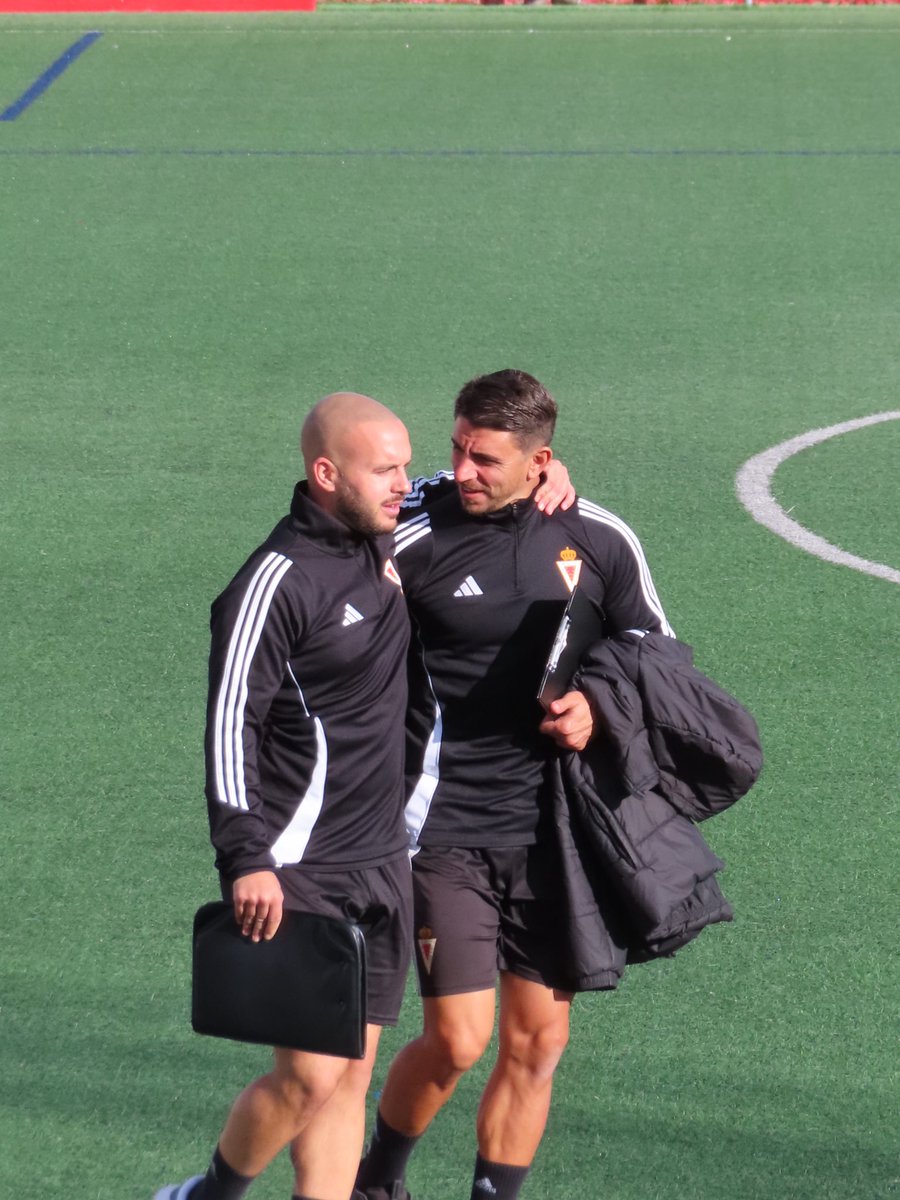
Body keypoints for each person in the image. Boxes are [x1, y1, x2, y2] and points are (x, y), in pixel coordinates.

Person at [355, 369, 674, 1200]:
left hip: (552, 832)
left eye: (486, 458)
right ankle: (376, 1181)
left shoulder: (597, 536)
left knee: (538, 1045)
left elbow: (656, 652)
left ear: (540, 461)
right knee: (459, 1039)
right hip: (441, 823)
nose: (463, 469)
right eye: (457, 448)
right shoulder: (411, 527)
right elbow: (330, 529)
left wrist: (598, 705)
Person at [155, 392, 417, 1200]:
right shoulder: (273, 581)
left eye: (407, 466)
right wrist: (246, 856)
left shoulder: (382, 532)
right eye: (385, 470)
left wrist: (550, 476)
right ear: (327, 474)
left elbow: (471, 489)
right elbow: (229, 722)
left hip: (385, 857)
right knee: (309, 1077)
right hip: (300, 863)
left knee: (350, 1077)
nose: (404, 484)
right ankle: (209, 1195)